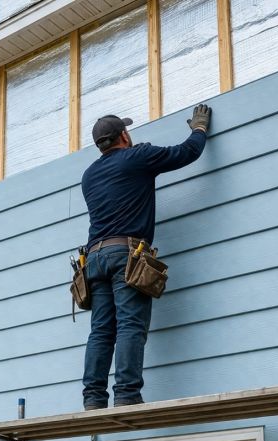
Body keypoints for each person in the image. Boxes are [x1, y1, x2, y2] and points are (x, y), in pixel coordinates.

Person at [80, 105, 212, 410]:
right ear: (124, 135)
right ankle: (126, 394)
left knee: (101, 330)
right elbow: (186, 153)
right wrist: (199, 129)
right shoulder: (136, 156)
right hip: (125, 254)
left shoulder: (89, 175)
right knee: (129, 324)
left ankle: (93, 397)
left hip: (95, 258)